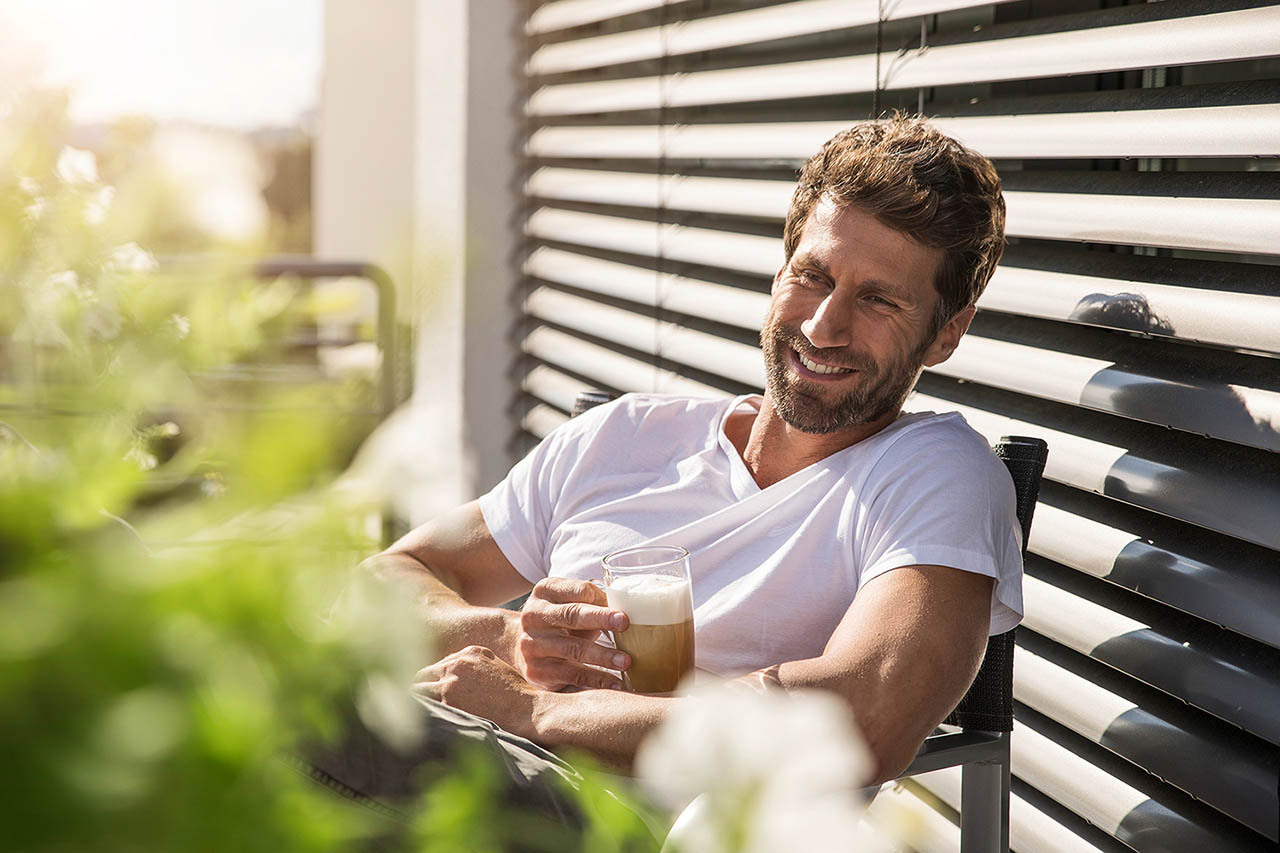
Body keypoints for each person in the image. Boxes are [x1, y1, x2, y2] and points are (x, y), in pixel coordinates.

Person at [322, 114, 1020, 813]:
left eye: (878, 300)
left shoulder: (936, 475)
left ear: (946, 333)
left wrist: (535, 711)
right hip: (459, 773)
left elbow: (863, 717)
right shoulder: (623, 437)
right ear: (780, 274)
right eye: (813, 276)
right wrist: (511, 637)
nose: (822, 326)